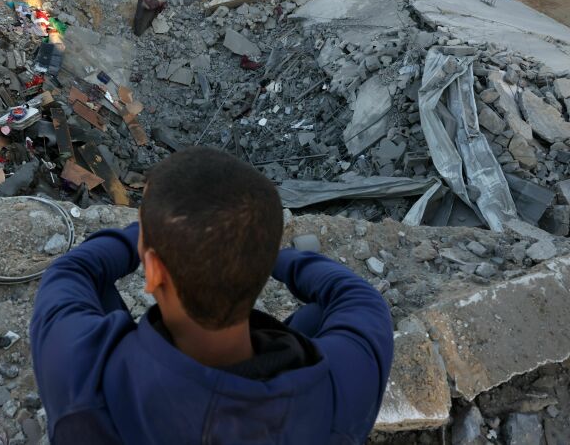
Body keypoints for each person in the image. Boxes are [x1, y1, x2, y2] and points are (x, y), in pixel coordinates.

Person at [31, 146, 394, 444]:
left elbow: (72, 272)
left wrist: (144, 232)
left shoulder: (82, 377)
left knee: (97, 289)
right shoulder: (341, 387)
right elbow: (358, 298)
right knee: (315, 319)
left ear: (154, 270)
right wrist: (265, 254)